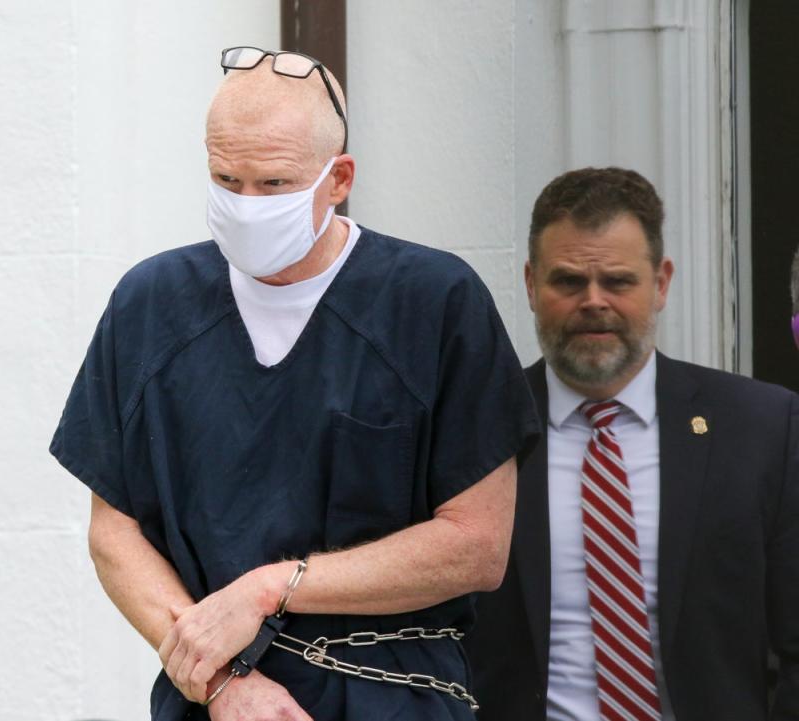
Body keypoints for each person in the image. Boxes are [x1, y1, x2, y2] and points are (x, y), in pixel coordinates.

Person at [50, 46, 539, 721]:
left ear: (338, 178)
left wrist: (271, 587)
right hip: (214, 701)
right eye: (226, 179)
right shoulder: (151, 304)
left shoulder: (431, 303)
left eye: (273, 184)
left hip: (393, 693)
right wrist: (219, 683)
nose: (245, 205)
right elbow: (114, 532)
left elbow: (477, 545)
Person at [463, 166, 799, 721]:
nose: (594, 302)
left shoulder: (764, 427)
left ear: (661, 282)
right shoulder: (476, 430)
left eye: (618, 282)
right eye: (568, 281)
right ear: (529, 284)